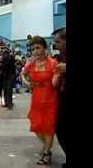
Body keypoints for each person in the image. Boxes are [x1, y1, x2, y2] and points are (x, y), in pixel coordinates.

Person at [21, 36, 59, 165]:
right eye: (33, 49)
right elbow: (22, 75)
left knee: (48, 126)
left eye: (38, 48)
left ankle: (47, 152)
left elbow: (55, 83)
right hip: (36, 97)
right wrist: (27, 83)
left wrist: (57, 75)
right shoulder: (31, 64)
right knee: (36, 126)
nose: (35, 51)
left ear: (44, 48)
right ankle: (47, 145)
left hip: (50, 98)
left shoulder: (53, 63)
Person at [52, 28, 66, 168]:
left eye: (58, 41)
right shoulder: (60, 56)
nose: (56, 45)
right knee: (60, 129)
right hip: (61, 96)